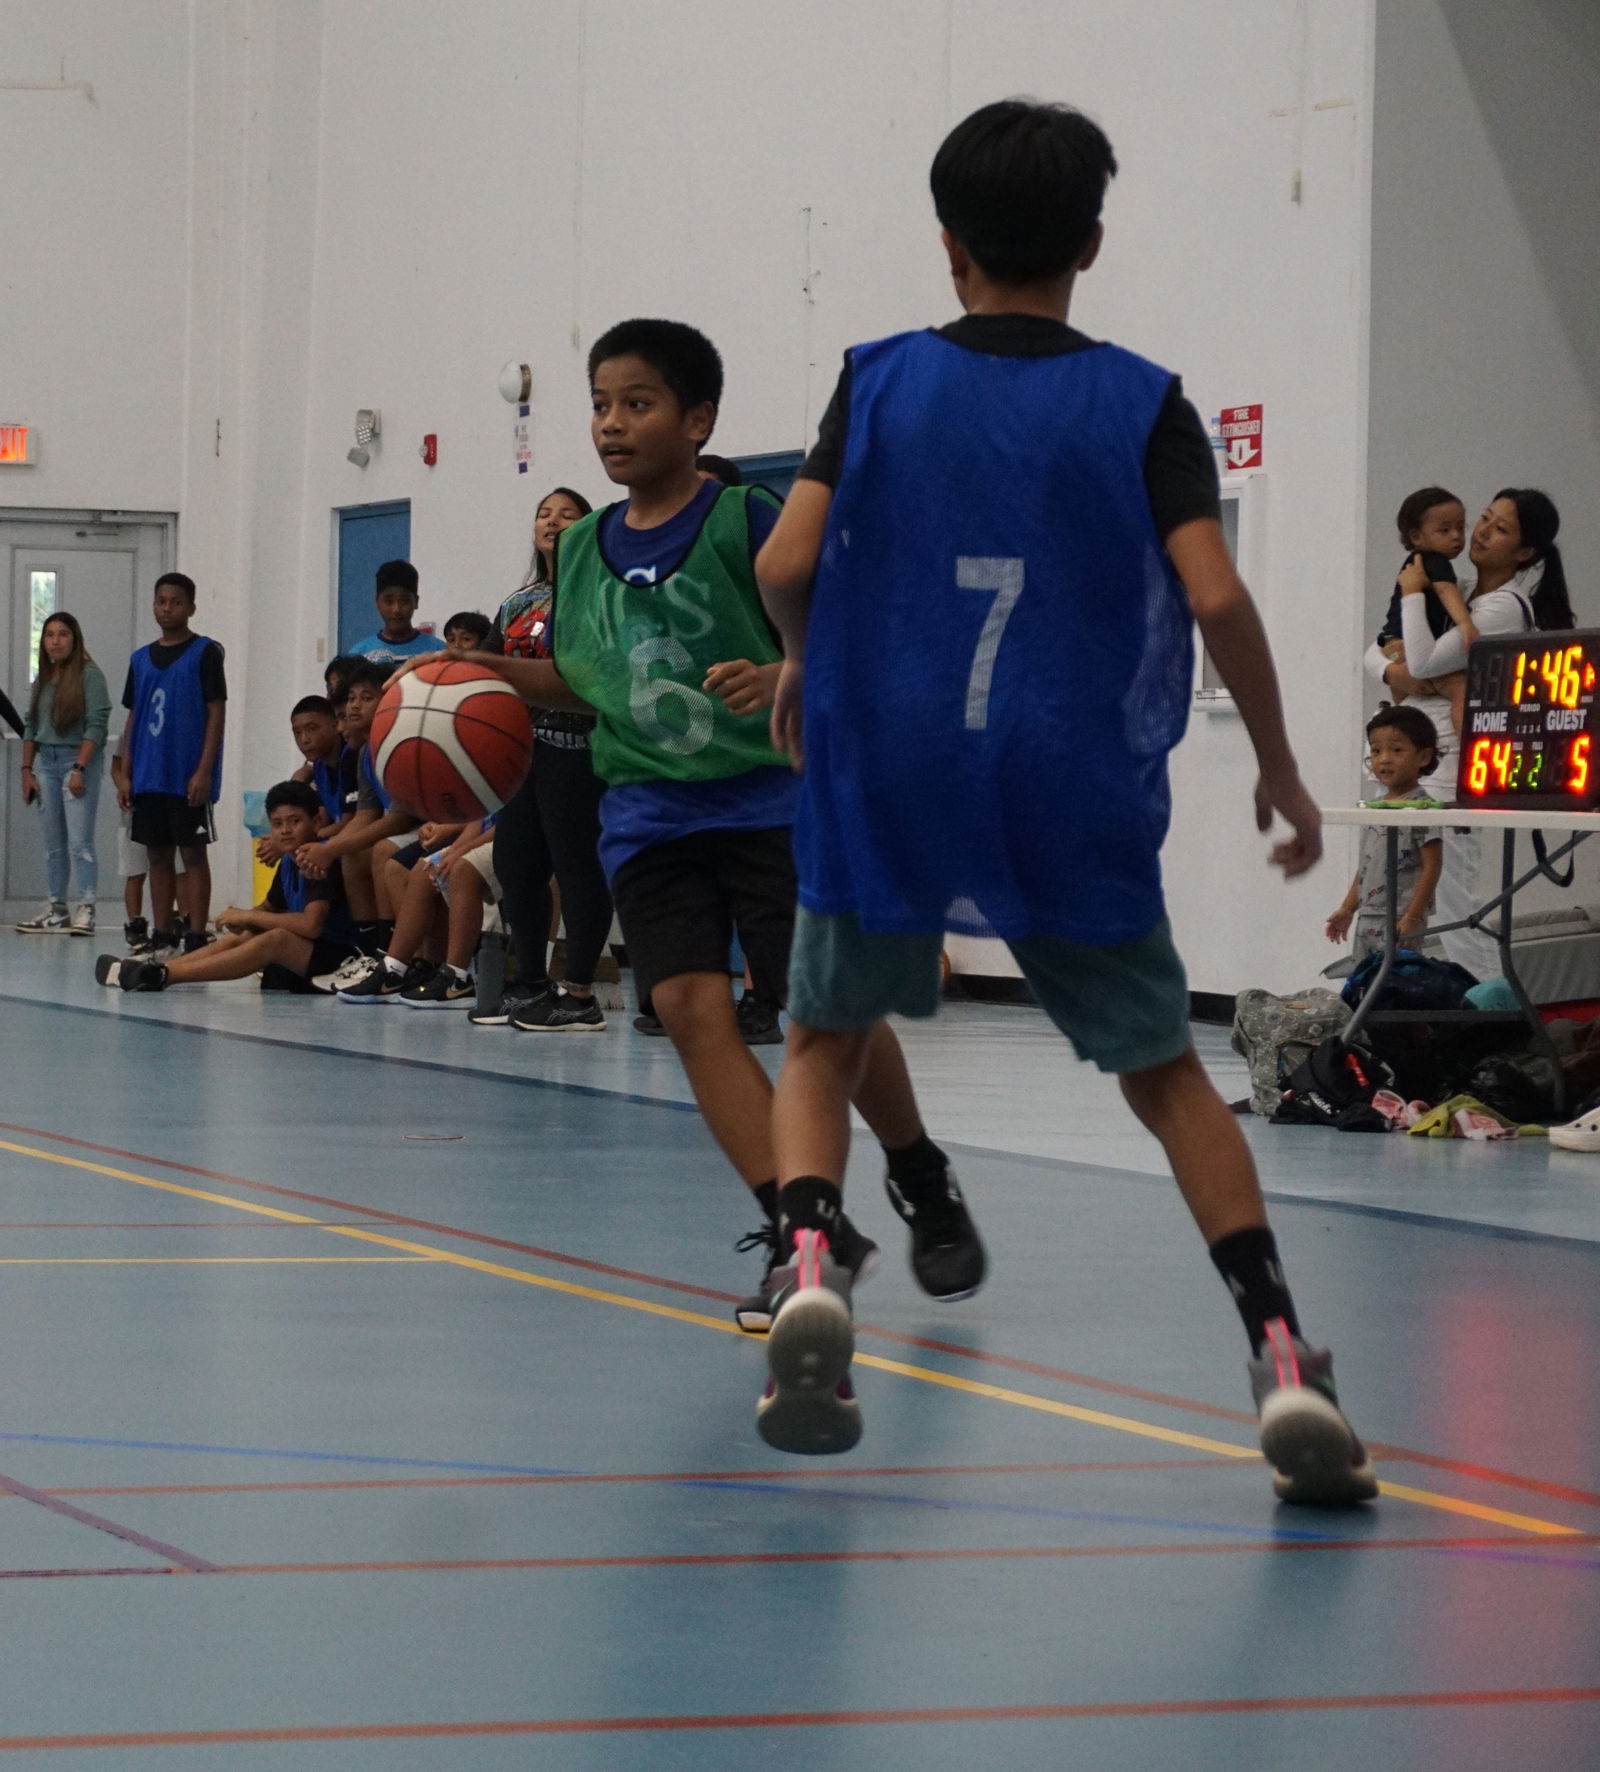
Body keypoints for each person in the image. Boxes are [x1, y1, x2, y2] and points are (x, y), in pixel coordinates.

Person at [746, 99, 1375, 1501]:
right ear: (1091, 241)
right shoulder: (1145, 401)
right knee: (1165, 1075)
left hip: (891, 761)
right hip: (1062, 770)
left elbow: (786, 563)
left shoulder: (878, 378)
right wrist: (1277, 766)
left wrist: (802, 663)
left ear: (948, 244)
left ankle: (809, 1264)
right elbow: (1215, 595)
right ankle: (1279, 1352)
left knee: (822, 1041)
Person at [398, 319, 980, 1330]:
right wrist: (483, 674)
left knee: (825, 1014)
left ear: (697, 419)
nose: (612, 424)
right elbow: (588, 681)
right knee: (688, 1011)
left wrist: (785, 668)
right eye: (601, 404)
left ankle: (918, 1169)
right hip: (649, 814)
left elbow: (852, 639)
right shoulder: (581, 550)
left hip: (772, 801)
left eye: (638, 403)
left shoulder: (749, 520)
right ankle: (802, 1230)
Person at [1369, 487, 1573, 978]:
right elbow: (1376, 651)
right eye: (1484, 518)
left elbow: (1420, 660)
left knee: (1455, 912)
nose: (1479, 533)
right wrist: (1399, 673)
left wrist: (1413, 603)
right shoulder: (1455, 588)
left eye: (1500, 529)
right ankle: (1409, 1008)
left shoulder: (1504, 607)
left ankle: (1493, 1012)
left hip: (1451, 775)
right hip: (1408, 765)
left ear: (1524, 552)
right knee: (1394, 900)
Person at [479, 484, 620, 1032]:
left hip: (581, 751)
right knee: (517, 868)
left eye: (567, 514)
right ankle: (530, 983)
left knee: (578, 868)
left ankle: (580, 993)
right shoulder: (516, 603)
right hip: (521, 754)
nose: (553, 521)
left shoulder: (603, 596)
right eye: (544, 514)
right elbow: (486, 668)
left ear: (587, 529)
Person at [96, 781, 359, 993]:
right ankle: (155, 969)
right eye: (277, 823)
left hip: (340, 960)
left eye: (295, 821)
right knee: (246, 933)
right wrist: (243, 920)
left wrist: (249, 916)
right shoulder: (289, 862)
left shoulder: (317, 860)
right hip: (310, 956)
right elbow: (268, 908)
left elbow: (311, 926)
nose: (285, 830)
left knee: (275, 938)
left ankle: (163, 975)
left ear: (316, 822)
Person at [113, 573, 225, 954]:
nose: (167, 608)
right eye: (161, 601)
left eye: (176, 602)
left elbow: (216, 710)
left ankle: (195, 933)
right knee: (156, 854)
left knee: (192, 853)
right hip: (148, 774)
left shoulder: (205, 653)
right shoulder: (139, 659)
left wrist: (204, 770)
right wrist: (126, 773)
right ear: (153, 605)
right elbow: (133, 718)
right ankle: (162, 933)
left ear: (191, 608)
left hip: (186, 774)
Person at [15, 612, 111, 935]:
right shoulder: (43, 677)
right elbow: (31, 726)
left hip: (76, 761)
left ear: (75, 638)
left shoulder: (89, 675)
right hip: (47, 764)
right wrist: (26, 771)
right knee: (53, 843)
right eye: (49, 635)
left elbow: (97, 726)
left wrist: (80, 768)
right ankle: (57, 907)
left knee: (79, 841)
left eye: (63, 634)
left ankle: (87, 907)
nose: (55, 641)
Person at [338, 818, 497, 1007]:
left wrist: (459, 849)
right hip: (481, 832)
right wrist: (453, 849)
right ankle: (397, 969)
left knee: (461, 869)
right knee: (422, 870)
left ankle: (457, 979)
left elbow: (504, 823)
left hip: (510, 836)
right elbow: (479, 820)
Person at [1325, 707, 1443, 958]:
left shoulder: (1422, 808)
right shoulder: (1376, 808)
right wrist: (1347, 908)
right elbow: (1367, 866)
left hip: (1400, 916)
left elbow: (1432, 865)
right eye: (1376, 751)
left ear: (1423, 757)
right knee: (1365, 975)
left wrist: (1414, 916)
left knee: (1395, 976)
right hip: (1368, 915)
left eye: (1397, 750)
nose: (1384, 759)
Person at [1373, 488, 1471, 737]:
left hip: (1391, 646)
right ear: (1416, 536)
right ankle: (1467, 745)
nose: (1456, 536)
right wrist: (1466, 624)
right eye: (1445, 530)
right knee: (1460, 688)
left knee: (1405, 711)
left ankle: (1402, 748)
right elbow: (1447, 591)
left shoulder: (1416, 562)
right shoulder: (1433, 561)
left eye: (1461, 528)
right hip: (1405, 647)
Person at [348, 561, 445, 665]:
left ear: (416, 602)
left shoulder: (439, 652)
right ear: (377, 603)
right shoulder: (359, 655)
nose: (396, 609)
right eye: (389, 601)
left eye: (404, 601)